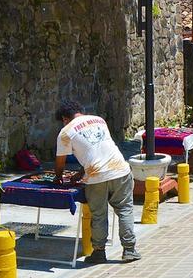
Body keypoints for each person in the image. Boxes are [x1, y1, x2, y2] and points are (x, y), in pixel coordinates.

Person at [54, 100, 141, 264]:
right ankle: (129, 250)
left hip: (96, 178)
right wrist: (81, 172)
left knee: (99, 215)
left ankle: (99, 253)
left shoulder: (66, 132)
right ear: (80, 111)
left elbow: (60, 162)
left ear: (65, 118)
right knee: (125, 210)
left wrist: (58, 177)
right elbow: (98, 150)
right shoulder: (99, 120)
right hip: (121, 170)